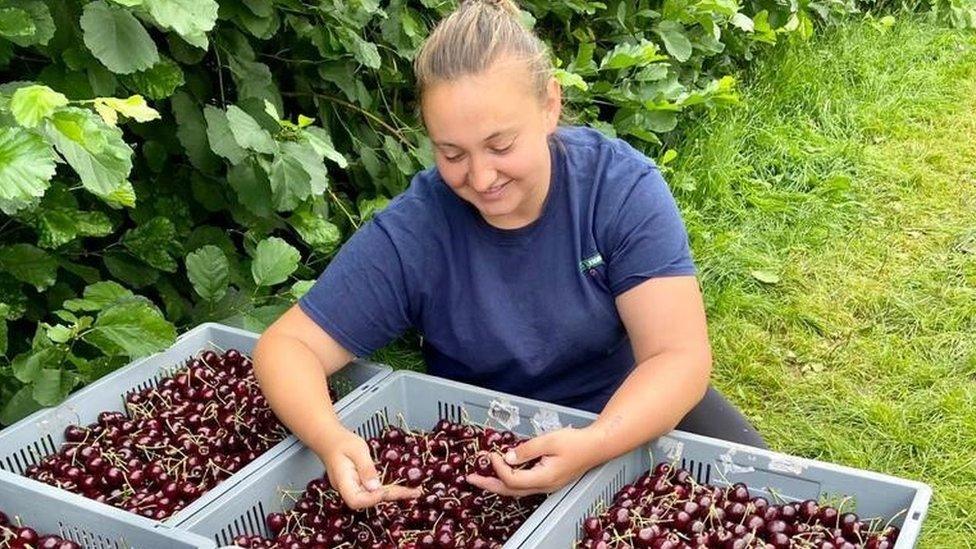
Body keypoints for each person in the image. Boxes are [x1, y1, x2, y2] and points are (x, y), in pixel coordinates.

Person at [253, 0, 765, 511]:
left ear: (549, 106)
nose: (479, 178)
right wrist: (330, 437)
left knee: (755, 494)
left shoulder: (617, 190)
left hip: (626, 409)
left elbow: (678, 357)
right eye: (452, 154)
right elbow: (288, 346)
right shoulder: (419, 229)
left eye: (500, 145)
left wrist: (596, 442)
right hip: (494, 441)